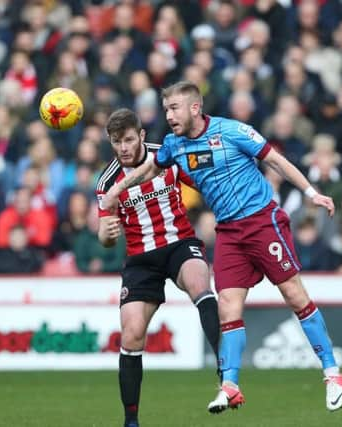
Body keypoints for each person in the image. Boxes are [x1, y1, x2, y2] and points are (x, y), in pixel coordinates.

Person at [102, 82, 342, 414]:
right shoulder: (173, 145)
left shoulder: (232, 131)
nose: (169, 116)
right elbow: (149, 169)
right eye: (165, 110)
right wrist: (119, 190)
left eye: (174, 108)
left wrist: (310, 192)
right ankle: (229, 386)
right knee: (228, 306)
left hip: (261, 221)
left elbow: (276, 160)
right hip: (228, 232)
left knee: (294, 295)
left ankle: (331, 371)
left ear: (194, 107)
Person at [95, 108, 220, 427]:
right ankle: (131, 420)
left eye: (127, 139)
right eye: (116, 141)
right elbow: (105, 233)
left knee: (200, 286)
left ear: (141, 136)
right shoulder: (108, 181)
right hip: (140, 259)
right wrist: (106, 236)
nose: (122, 147)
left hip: (179, 242)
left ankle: (226, 373)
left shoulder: (167, 156)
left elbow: (203, 178)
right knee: (132, 334)